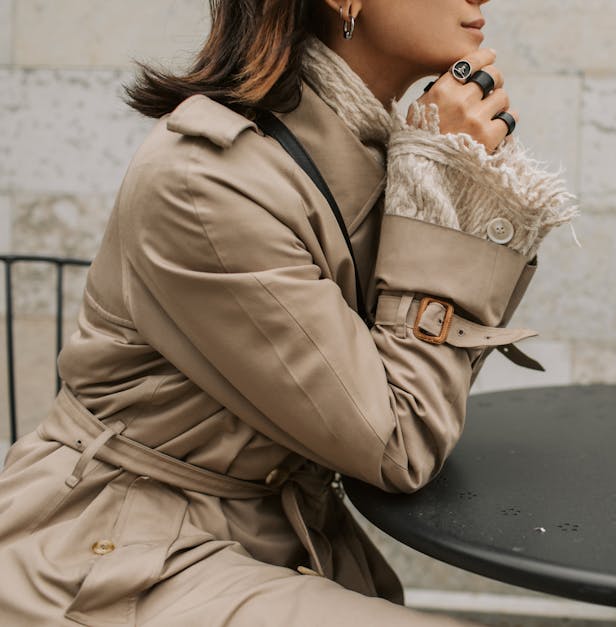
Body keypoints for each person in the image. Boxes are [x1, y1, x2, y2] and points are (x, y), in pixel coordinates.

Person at [0, 0, 578, 624]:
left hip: (269, 531)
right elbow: (401, 440)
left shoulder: (384, 151)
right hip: (116, 545)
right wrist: (444, 190)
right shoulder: (208, 180)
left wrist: (439, 176)